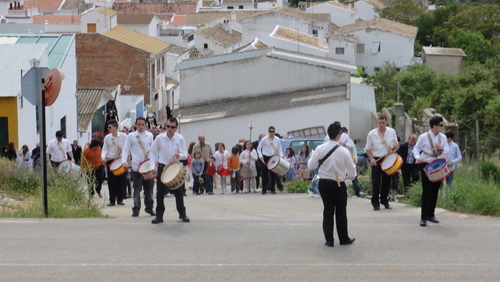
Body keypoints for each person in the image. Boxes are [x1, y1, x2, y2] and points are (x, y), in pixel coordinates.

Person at [308, 123, 356, 247]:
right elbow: (351, 170)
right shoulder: (343, 150)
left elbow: (311, 165)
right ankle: (343, 238)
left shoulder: (320, 148)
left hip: (324, 183)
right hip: (339, 183)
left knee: (328, 210)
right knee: (341, 211)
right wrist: (351, 176)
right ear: (339, 135)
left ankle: (329, 240)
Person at [149, 117, 190, 224]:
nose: (169, 129)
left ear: (176, 128)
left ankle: (182, 214)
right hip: (163, 167)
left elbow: (185, 155)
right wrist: (152, 166)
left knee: (179, 192)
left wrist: (179, 155)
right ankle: (159, 216)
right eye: (167, 126)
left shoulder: (180, 138)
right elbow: (153, 152)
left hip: (175, 167)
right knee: (159, 193)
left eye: (172, 127)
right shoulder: (159, 138)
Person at [414, 116, 449, 227]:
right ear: (434, 126)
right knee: (426, 191)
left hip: (437, 165)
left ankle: (431, 214)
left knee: (435, 190)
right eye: (441, 125)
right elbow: (416, 148)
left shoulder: (443, 137)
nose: (442, 127)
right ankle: (423, 217)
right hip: (426, 164)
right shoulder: (423, 137)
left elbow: (447, 150)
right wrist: (417, 157)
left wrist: (441, 148)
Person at [121, 117, 155, 217]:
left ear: (145, 125)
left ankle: (149, 208)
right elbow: (125, 149)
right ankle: (136, 208)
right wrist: (124, 162)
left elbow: (153, 150)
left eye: (142, 124)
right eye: (139, 124)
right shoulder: (131, 136)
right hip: (136, 167)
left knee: (149, 189)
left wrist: (154, 163)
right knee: (137, 189)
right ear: (136, 125)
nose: (140, 126)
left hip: (147, 166)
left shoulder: (150, 135)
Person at [365, 115, 399, 210]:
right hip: (376, 159)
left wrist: (396, 146)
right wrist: (371, 159)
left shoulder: (391, 131)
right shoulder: (372, 134)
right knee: (376, 182)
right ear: (377, 122)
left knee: (386, 182)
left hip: (388, 158)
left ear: (386, 122)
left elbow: (396, 143)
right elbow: (368, 148)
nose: (381, 124)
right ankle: (375, 202)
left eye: (383, 123)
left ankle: (385, 201)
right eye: (380, 122)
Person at [101, 120, 127, 206]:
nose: (108, 129)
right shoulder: (107, 138)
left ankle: (120, 199)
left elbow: (127, 148)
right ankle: (112, 200)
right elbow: (105, 148)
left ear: (115, 128)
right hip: (111, 160)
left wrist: (122, 150)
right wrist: (103, 157)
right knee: (111, 181)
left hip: (121, 160)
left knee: (122, 180)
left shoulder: (124, 136)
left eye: (110, 127)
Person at [340, 127, 365, 198]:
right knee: (342, 177)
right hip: (342, 161)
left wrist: (355, 159)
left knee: (354, 176)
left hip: (350, 160)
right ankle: (344, 191)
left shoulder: (349, 141)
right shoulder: (338, 140)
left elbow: (353, 148)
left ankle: (358, 191)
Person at [257, 126, 282, 194]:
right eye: (270, 131)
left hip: (273, 157)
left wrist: (281, 156)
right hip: (266, 157)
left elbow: (279, 149)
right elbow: (259, 148)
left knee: (273, 174)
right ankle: (264, 189)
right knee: (264, 174)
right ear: (268, 132)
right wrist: (260, 156)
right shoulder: (264, 139)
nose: (272, 133)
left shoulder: (277, 139)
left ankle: (272, 189)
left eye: (273, 132)